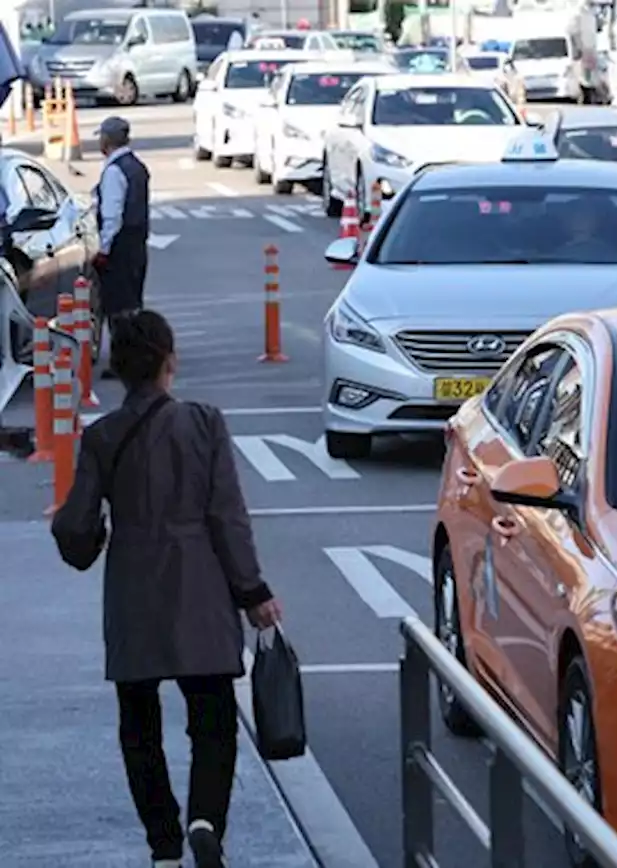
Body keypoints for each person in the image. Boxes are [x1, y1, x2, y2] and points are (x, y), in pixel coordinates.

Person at [51, 311, 283, 868]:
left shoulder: (103, 436)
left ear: (120, 369)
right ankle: (205, 819)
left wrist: (97, 534)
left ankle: (163, 847)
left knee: (139, 724)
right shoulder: (205, 423)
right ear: (169, 362)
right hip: (200, 585)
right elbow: (228, 517)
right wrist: (253, 592)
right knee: (213, 717)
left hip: (134, 590)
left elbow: (77, 525)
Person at [91, 116, 150, 380]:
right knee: (132, 302)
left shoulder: (114, 171)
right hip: (137, 243)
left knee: (117, 307)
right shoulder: (137, 167)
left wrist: (103, 249)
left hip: (120, 246)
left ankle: (124, 360)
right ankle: (135, 355)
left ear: (107, 140)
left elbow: (112, 214)